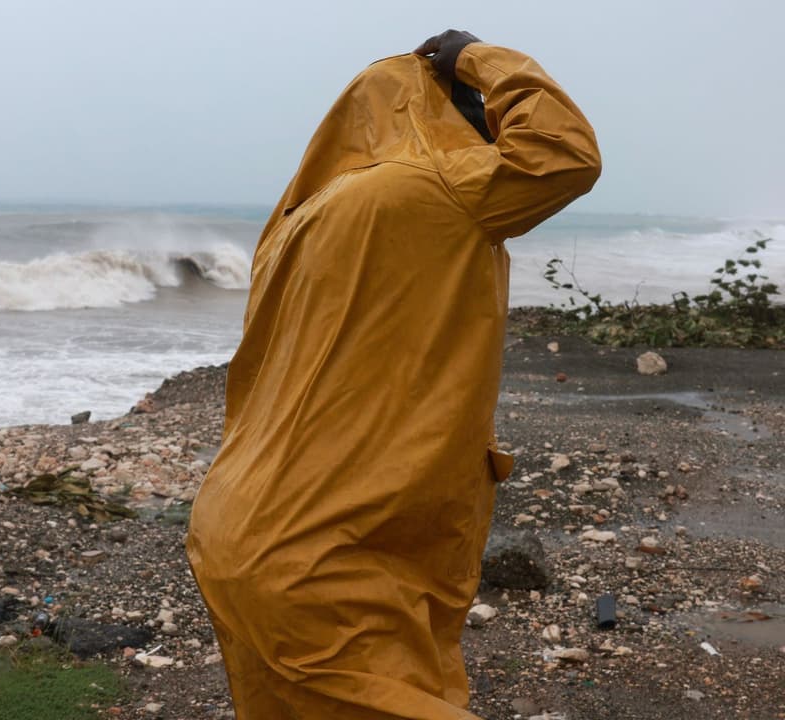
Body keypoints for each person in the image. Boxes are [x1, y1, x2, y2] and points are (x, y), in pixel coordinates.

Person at [186, 30, 601, 719]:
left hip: (236, 526)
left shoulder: (294, 225)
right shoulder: (437, 188)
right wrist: (473, 55)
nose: (491, 128)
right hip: (323, 549)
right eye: (482, 112)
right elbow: (563, 152)